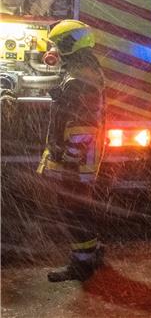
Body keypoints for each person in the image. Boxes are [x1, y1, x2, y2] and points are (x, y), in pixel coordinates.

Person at [36, 20, 105, 282]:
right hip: (78, 158)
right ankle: (90, 254)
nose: (55, 47)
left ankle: (82, 264)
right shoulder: (81, 70)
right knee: (80, 208)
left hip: (76, 161)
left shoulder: (79, 77)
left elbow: (83, 125)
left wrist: (71, 158)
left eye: (58, 42)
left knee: (73, 210)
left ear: (68, 43)